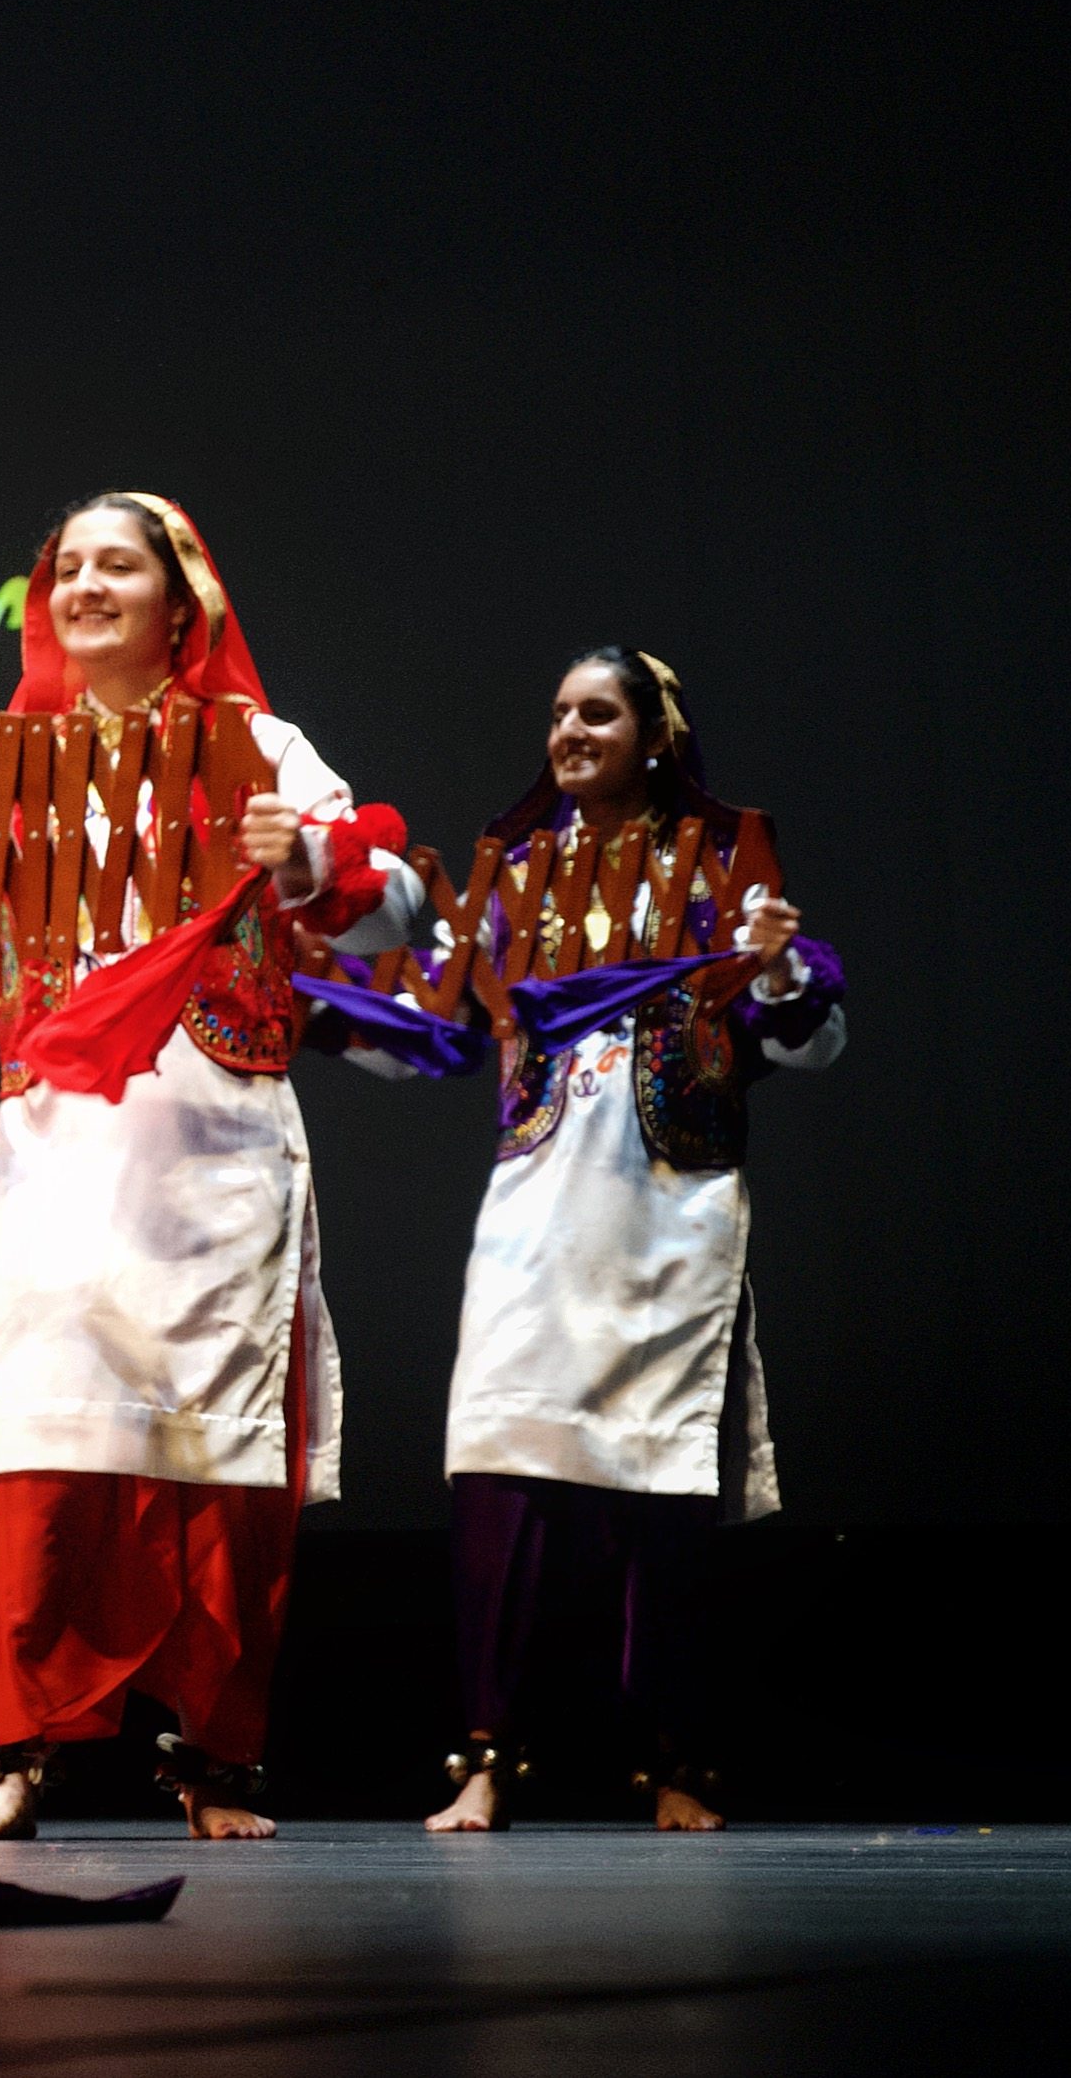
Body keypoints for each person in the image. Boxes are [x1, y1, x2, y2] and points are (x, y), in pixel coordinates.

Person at [0, 495, 415, 1841]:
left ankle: (217, 1760)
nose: (84, 585)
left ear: (182, 601)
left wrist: (308, 860)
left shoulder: (260, 747)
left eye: (115, 564)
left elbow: (393, 908)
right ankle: (18, 1749)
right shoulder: (5, 765)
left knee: (217, 1455)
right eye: (66, 567)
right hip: (57, 1151)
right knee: (43, 1441)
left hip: (214, 1146)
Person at [395, 649, 842, 1833]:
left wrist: (776, 968)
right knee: (497, 1469)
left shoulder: (721, 867)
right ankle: (484, 1757)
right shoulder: (513, 876)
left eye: (595, 712)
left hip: (666, 1203)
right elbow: (438, 1016)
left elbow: (807, 1036)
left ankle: (674, 1759)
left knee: (658, 1484)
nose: (568, 731)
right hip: (533, 1206)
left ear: (654, 735)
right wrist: (358, 963)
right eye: (556, 713)